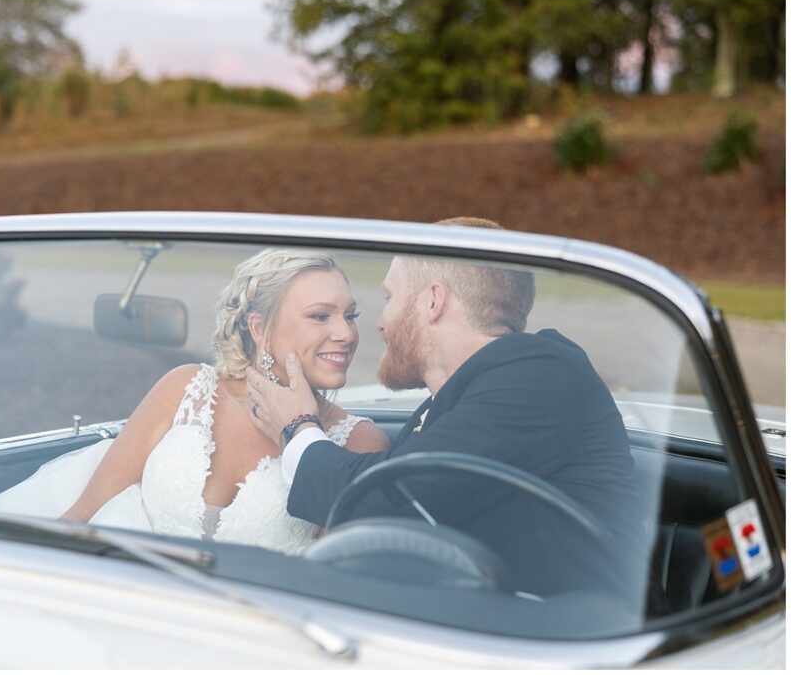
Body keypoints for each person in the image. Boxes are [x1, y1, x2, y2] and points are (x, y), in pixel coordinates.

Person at [247, 217, 649, 602]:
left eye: (389, 298)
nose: (378, 324)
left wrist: (297, 425)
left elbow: (386, 501)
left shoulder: (542, 374)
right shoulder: (452, 404)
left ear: (433, 301)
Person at [44, 248, 390, 554]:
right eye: (320, 315)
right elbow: (83, 515)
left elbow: (338, 583)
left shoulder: (359, 443)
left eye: (351, 316)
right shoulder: (185, 388)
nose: (346, 334)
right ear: (259, 328)